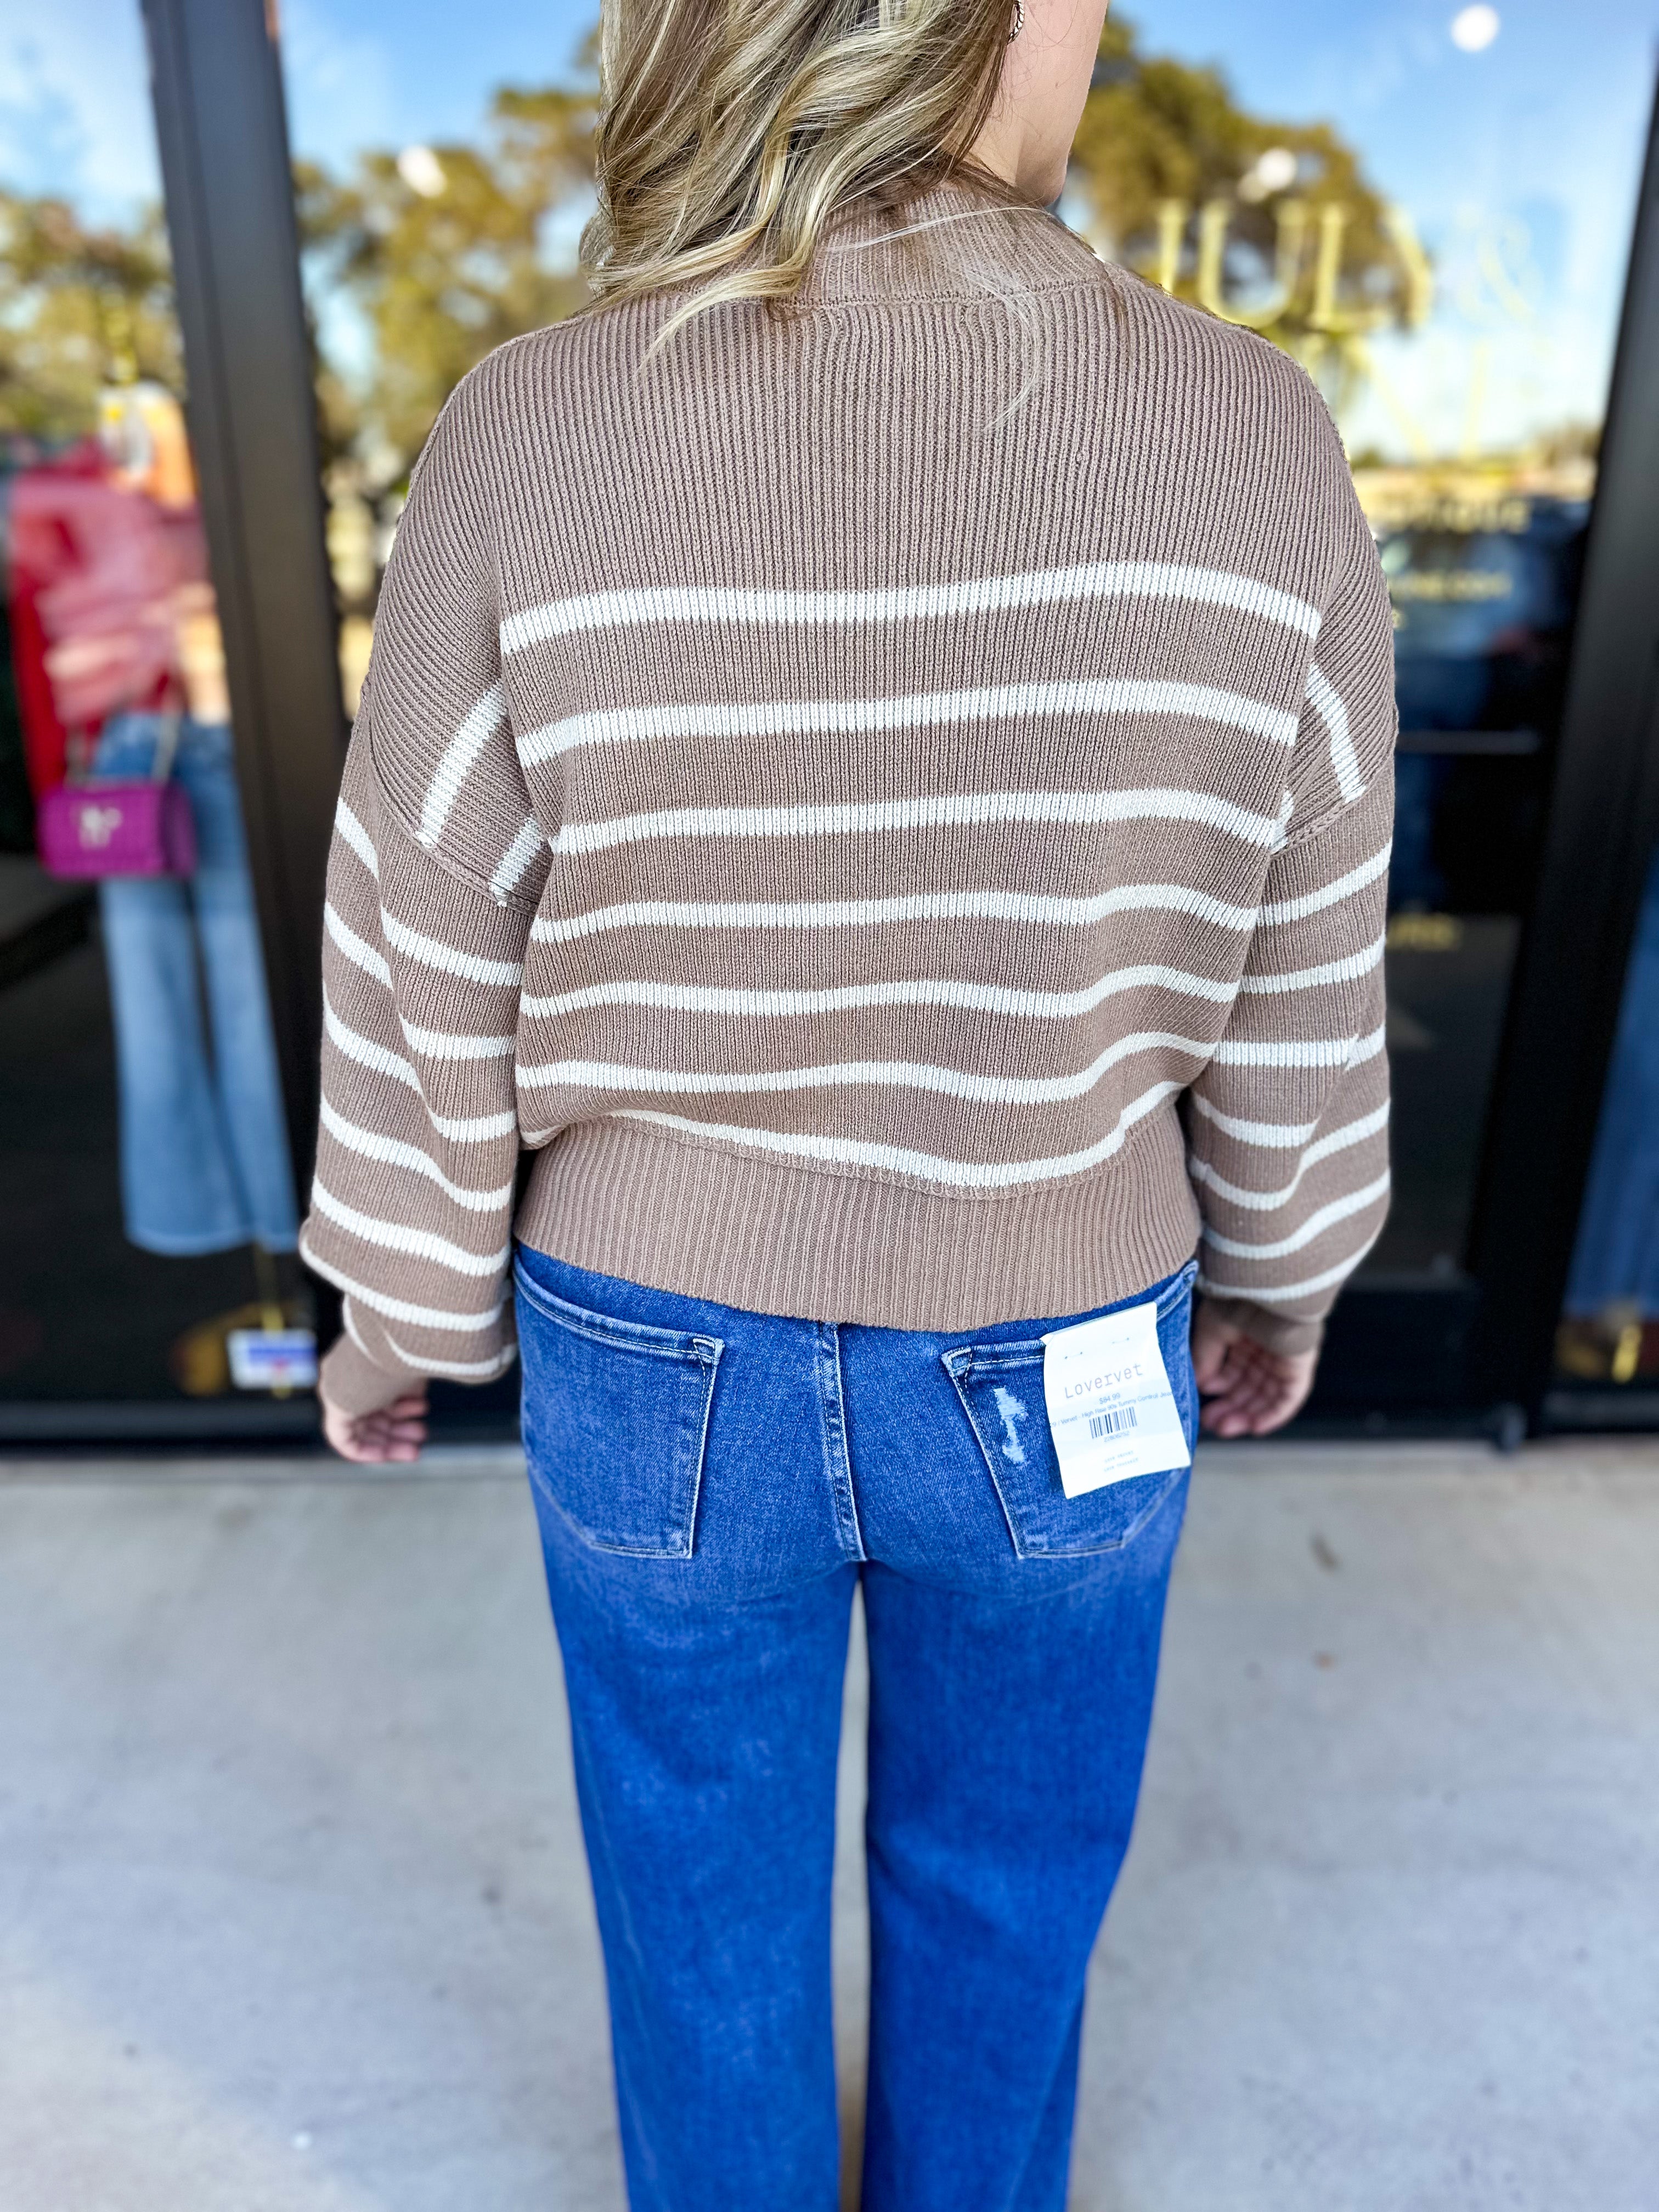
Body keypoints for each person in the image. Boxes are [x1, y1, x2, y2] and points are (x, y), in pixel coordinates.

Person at [303, 0, 1394, 2199]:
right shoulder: (1251, 434)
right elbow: (1310, 943)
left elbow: (427, 939)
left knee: (698, 1918)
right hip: (1073, 1317)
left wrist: (403, 1316)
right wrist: (1285, 1267)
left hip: (649, 1337)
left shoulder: (529, 429)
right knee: (1009, 1901)